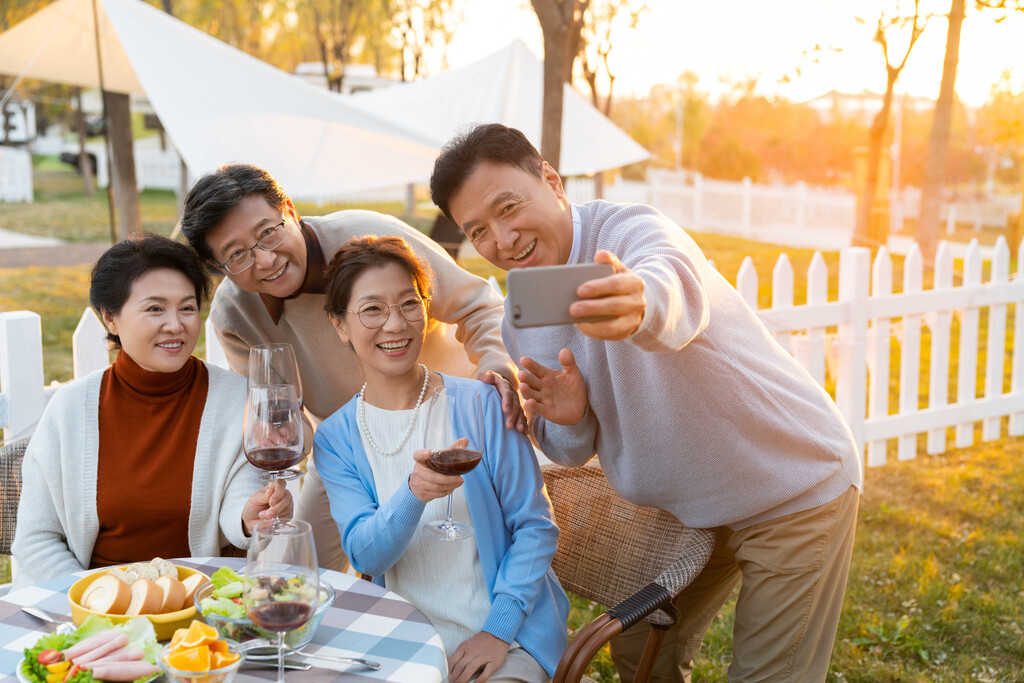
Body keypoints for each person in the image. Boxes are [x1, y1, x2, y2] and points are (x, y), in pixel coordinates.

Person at [429, 123, 863, 682]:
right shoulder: (525, 310)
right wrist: (571, 417)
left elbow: (670, 285)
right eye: (478, 230)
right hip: (689, 513)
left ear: (553, 183)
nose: (503, 240)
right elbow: (566, 446)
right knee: (639, 654)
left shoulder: (631, 232)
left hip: (790, 485)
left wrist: (637, 304)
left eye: (509, 207)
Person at [179, 164, 525, 573]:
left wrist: (497, 369)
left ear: (288, 209)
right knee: (298, 571)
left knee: (464, 559)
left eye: (267, 232)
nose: (266, 259)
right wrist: (284, 439)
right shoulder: (234, 314)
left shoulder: (368, 236)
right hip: (349, 442)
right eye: (237, 254)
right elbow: (286, 424)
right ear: (221, 267)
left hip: (449, 428)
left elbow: (479, 305)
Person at [313, 235, 568, 683]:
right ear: (340, 325)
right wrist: (413, 494)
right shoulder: (335, 438)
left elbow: (535, 526)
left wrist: (497, 631)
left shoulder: (484, 403)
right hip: (402, 641)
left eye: (409, 304)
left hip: (505, 637)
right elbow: (366, 557)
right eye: (372, 309)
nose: (395, 325)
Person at [11, 235, 292, 591]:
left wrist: (248, 517)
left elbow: (239, 501)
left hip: (198, 604)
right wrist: (99, 599)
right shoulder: (69, 410)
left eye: (187, 308)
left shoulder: (237, 398)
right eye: (155, 309)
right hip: (93, 606)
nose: (175, 324)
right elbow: (36, 540)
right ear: (110, 318)